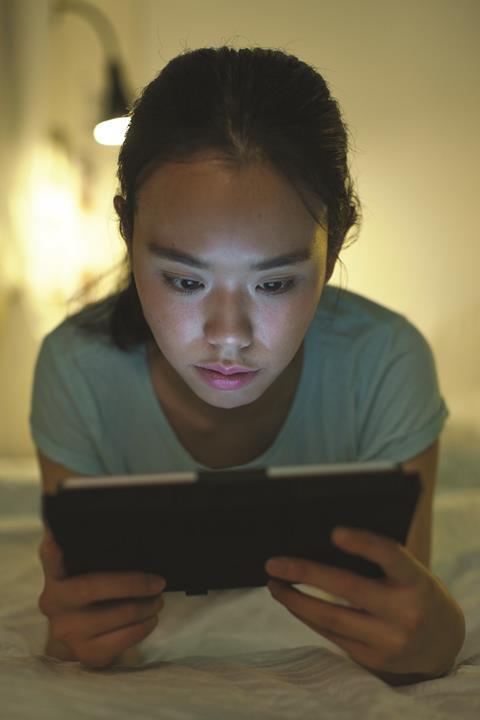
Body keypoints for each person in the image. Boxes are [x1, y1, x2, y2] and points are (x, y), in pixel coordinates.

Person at [30, 46, 465, 682]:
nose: (228, 337)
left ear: (335, 240)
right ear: (125, 229)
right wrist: (74, 639)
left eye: (275, 284)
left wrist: (434, 641)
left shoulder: (384, 362)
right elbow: (75, 621)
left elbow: (402, 612)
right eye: (183, 282)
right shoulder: (77, 371)